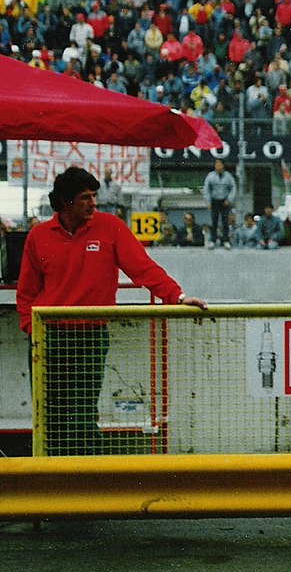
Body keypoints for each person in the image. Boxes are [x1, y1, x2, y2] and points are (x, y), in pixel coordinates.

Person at [16, 167, 207, 456]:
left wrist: (177, 297)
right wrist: (33, 332)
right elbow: (26, 292)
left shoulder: (110, 227)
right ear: (66, 201)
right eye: (85, 197)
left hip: (90, 337)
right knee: (48, 418)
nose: (93, 203)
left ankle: (85, 476)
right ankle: (52, 477)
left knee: (81, 417)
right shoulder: (38, 236)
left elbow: (143, 268)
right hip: (48, 338)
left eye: (94, 196)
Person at [202, 160, 237, 248]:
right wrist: (208, 202)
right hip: (214, 201)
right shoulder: (210, 176)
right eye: (216, 164)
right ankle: (213, 240)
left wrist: (229, 199)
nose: (218, 166)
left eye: (219, 164)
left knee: (225, 221)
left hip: (225, 201)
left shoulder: (228, 176)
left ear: (223, 166)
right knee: (214, 221)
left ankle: (226, 241)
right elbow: (206, 189)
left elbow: (233, 188)